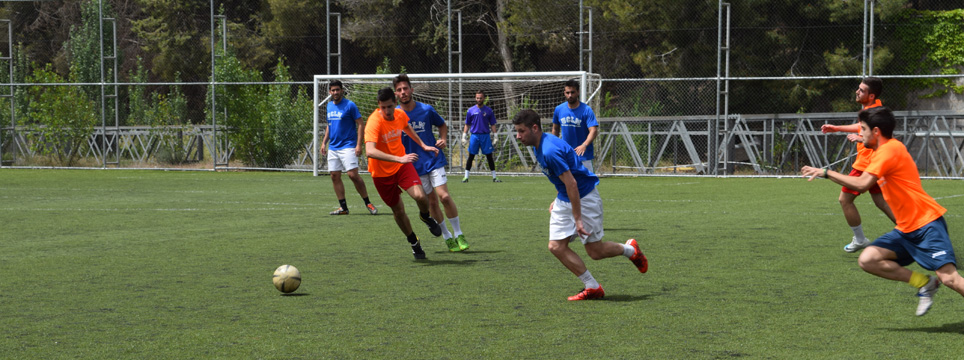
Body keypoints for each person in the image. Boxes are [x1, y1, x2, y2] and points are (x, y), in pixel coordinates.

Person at [802, 106, 964, 316]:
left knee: (950, 278)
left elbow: (861, 184)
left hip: (926, 224)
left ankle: (933, 282)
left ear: (876, 131)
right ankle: (924, 283)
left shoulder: (888, 151)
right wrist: (861, 139)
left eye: (863, 129)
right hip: (906, 229)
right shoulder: (884, 148)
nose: (860, 134)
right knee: (868, 260)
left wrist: (826, 172)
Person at [512, 109, 647, 301]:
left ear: (534, 128)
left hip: (585, 198)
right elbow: (563, 180)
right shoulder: (538, 144)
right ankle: (592, 286)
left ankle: (631, 250)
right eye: (517, 132)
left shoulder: (549, 150)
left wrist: (577, 219)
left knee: (595, 252)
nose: (518, 136)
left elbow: (572, 183)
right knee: (556, 247)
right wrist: (558, 198)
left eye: (521, 131)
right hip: (565, 197)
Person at [364, 87, 443, 260]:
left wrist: (423, 145)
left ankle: (425, 217)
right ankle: (414, 242)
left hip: (402, 165)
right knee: (399, 211)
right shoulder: (374, 122)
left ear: (395, 104)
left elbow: (407, 128)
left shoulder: (400, 115)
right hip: (382, 174)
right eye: (383, 107)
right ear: (379, 105)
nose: (387, 111)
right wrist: (398, 159)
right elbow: (369, 151)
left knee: (421, 197)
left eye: (390, 107)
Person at [393, 74, 469, 252]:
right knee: (432, 203)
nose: (403, 92)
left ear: (411, 90)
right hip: (414, 165)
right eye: (399, 90)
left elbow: (442, 125)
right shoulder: (395, 115)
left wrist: (442, 139)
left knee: (444, 196)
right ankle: (447, 236)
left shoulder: (426, 109)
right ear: (396, 94)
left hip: (433, 159)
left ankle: (458, 233)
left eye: (405, 88)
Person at [820, 77, 896, 252]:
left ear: (871, 96)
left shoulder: (875, 111)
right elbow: (862, 126)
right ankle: (913, 233)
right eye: (858, 88)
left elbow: (880, 135)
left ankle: (860, 239)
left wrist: (861, 138)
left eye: (861, 90)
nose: (857, 91)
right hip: (874, 162)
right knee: (881, 202)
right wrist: (837, 128)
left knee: (845, 199)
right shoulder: (873, 107)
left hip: (866, 164)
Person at [321, 80, 378, 216]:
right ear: (330, 92)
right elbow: (329, 125)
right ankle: (343, 208)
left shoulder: (350, 105)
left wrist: (359, 144)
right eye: (333, 90)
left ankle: (368, 202)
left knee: (353, 175)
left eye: (337, 90)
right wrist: (324, 142)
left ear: (342, 90)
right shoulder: (329, 106)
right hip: (333, 147)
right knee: (334, 176)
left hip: (348, 146)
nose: (335, 92)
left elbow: (360, 124)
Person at [551, 79, 599, 172]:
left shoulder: (586, 110)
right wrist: (554, 145)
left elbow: (593, 131)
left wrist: (584, 145)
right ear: (564, 93)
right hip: (566, 155)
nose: (570, 95)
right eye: (567, 92)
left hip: (583, 156)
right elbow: (555, 129)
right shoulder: (559, 109)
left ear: (578, 92)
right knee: (568, 185)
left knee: (589, 186)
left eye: (572, 92)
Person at [461, 90, 501, 183]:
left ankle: (494, 177)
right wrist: (464, 136)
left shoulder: (489, 110)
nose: (479, 99)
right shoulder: (470, 110)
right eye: (477, 98)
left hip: (485, 136)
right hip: (474, 136)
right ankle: (466, 177)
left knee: (489, 156)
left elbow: (493, 124)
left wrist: (495, 136)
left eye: (480, 98)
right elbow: (467, 124)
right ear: (475, 98)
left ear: (484, 98)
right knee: (471, 156)